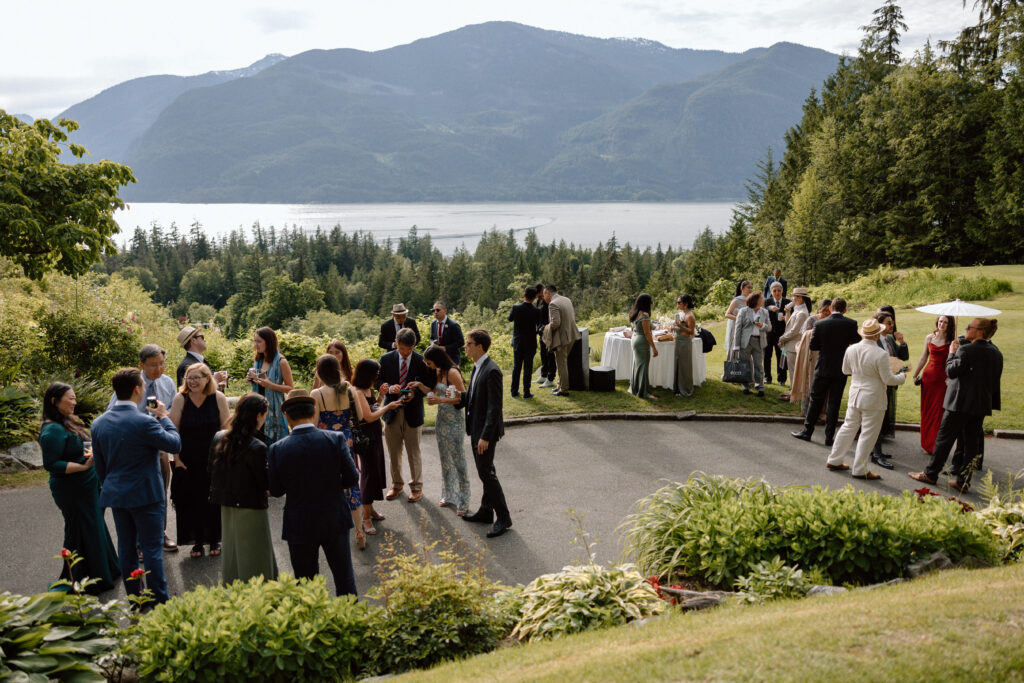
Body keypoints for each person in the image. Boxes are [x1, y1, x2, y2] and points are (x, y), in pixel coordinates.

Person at [91, 368, 181, 604]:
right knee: (151, 549)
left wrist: (112, 485)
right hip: (146, 494)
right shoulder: (145, 421)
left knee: (127, 547)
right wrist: (164, 417)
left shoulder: (99, 423)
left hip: (117, 494)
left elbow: (100, 467)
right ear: (137, 389)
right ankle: (159, 597)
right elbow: (174, 444)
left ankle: (135, 597)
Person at [268, 390, 360, 596]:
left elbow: (275, 490)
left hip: (299, 521)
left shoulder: (277, 448)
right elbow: (352, 478)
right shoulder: (335, 439)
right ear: (314, 412)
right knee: (344, 576)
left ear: (287, 417)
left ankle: (313, 622)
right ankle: (352, 622)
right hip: (334, 516)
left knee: (306, 581)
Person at [39, 383, 119, 594]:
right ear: (54, 401)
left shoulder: (67, 421)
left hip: (86, 484)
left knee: (94, 525)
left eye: (75, 398)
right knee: (80, 529)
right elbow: (51, 464)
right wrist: (83, 466)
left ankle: (105, 570)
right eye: (70, 399)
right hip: (71, 488)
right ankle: (82, 577)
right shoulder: (52, 429)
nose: (74, 402)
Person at [910, 318, 1002, 493]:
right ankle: (963, 481)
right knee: (971, 444)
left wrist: (952, 353)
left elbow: (951, 372)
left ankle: (930, 473)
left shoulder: (965, 350)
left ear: (980, 332)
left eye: (970, 327)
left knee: (944, 440)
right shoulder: (996, 352)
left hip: (959, 403)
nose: (966, 328)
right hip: (980, 405)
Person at [106, 344, 179, 552]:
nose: (159, 369)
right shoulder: (132, 383)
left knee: (161, 489)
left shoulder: (167, 382)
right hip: (136, 446)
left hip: (159, 443)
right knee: (138, 494)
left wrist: (164, 414)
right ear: (141, 365)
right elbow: (114, 412)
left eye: (162, 364)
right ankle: (137, 541)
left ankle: (160, 533)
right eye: (153, 365)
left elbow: (173, 408)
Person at [824, 319, 907, 481]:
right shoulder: (880, 354)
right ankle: (860, 469)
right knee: (868, 433)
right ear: (876, 335)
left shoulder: (851, 349)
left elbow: (845, 370)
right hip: (873, 398)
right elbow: (888, 379)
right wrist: (902, 377)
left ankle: (834, 459)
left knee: (848, 427)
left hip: (856, 394)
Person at [208, 393, 278, 584]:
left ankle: (233, 588)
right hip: (251, 505)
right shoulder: (257, 446)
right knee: (255, 553)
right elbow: (264, 482)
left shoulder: (220, 437)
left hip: (226, 503)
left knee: (232, 552)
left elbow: (210, 469)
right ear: (258, 416)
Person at [169, 363, 230, 558]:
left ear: (207, 378)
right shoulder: (181, 399)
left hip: (214, 457)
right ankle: (196, 542)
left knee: (213, 500)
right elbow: (174, 431)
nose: (192, 382)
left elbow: (225, 430)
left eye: (197, 377)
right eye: (189, 378)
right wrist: (176, 459)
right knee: (191, 500)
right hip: (187, 458)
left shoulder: (218, 398)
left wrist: (224, 457)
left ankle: (214, 540)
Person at [461, 329, 512, 538]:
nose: (466, 347)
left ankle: (504, 517)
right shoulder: (478, 367)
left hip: (484, 433)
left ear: (480, 346)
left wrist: (485, 437)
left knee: (486, 473)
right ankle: (485, 511)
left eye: (469, 343)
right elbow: (475, 397)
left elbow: (494, 408)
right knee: (485, 470)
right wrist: (460, 396)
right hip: (476, 429)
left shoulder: (492, 371)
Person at [310, 354, 365, 551]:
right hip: (346, 441)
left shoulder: (317, 394)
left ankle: (332, 530)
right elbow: (359, 416)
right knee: (351, 484)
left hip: (325, 442)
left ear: (320, 371)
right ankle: (359, 530)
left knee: (329, 486)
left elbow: (314, 424)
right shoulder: (349, 390)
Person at [791, 297, 860, 446]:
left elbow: (814, 346)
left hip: (823, 367)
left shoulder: (820, 324)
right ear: (845, 310)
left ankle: (807, 431)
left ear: (830, 309)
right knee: (834, 403)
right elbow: (856, 342)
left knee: (816, 400)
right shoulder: (851, 324)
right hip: (841, 369)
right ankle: (829, 437)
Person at [411, 345, 471, 515]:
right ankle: (449, 494)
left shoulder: (452, 372)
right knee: (445, 459)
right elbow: (432, 392)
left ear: (437, 359)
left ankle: (463, 499)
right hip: (442, 421)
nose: (427, 365)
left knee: (458, 460)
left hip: (455, 421)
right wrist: (420, 386)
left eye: (429, 362)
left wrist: (440, 400)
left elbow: (462, 397)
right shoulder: (439, 372)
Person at [378, 328, 432, 502]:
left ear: (413, 345)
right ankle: (396, 485)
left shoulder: (421, 361)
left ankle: (416, 487)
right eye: (401, 349)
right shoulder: (385, 359)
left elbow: (428, 386)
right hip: (391, 411)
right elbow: (379, 381)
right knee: (394, 451)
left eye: (408, 350)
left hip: (413, 412)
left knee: (413, 451)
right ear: (396, 342)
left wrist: (416, 392)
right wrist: (388, 386)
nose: (404, 353)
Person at [350, 359, 402, 536]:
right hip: (366, 437)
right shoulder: (357, 391)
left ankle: (370, 508)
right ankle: (365, 517)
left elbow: (373, 407)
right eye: (376, 373)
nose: (378, 376)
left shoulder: (367, 389)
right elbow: (369, 417)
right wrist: (388, 405)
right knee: (368, 474)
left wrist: (380, 396)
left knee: (376, 471)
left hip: (374, 435)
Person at [867, 310, 910, 469]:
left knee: (883, 418)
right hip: (878, 384)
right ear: (880, 324)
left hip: (890, 382)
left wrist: (902, 342)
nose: (892, 325)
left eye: (892, 322)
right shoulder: (874, 341)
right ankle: (876, 454)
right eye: (889, 322)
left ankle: (876, 450)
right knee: (877, 419)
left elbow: (902, 357)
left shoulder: (891, 339)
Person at [913, 315, 956, 454]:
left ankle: (934, 445)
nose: (942, 324)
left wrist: (950, 378)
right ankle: (926, 444)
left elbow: (953, 362)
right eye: (940, 321)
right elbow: (923, 357)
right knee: (926, 411)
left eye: (945, 322)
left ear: (950, 325)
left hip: (942, 380)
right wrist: (916, 373)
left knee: (938, 412)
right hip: (928, 378)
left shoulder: (952, 342)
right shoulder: (929, 337)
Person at [247, 326, 294, 445]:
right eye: (255, 341)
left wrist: (270, 385)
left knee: (276, 445)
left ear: (268, 342)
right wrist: (252, 379)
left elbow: (290, 388)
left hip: (275, 410)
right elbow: (260, 384)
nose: (256, 345)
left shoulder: (281, 362)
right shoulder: (258, 360)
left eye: (259, 341)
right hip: (258, 409)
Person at [789, 298, 829, 414]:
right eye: (824, 310)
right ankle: (806, 411)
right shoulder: (811, 320)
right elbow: (804, 338)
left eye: (828, 311)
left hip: (824, 356)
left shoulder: (830, 321)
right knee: (808, 383)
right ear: (820, 309)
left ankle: (821, 410)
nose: (826, 313)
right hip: (810, 355)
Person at [542, 285, 581, 397]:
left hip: (562, 339)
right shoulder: (566, 299)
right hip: (572, 335)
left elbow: (556, 323)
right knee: (562, 362)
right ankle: (559, 385)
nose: (544, 297)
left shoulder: (553, 304)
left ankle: (564, 390)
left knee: (561, 364)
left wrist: (545, 328)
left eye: (544, 295)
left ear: (548, 293)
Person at [733, 291, 770, 396]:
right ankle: (746, 386)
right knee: (745, 364)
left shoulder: (764, 312)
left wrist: (762, 325)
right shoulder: (743, 311)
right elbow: (738, 328)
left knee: (758, 365)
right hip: (745, 342)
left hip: (759, 341)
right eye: (761, 298)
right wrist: (736, 345)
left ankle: (760, 387)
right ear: (756, 300)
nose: (763, 300)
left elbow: (769, 327)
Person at [777, 287, 810, 401]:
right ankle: (793, 392)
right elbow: (788, 325)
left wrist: (782, 339)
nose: (793, 298)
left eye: (796, 296)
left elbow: (794, 331)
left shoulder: (802, 313)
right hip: (791, 344)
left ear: (801, 298)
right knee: (793, 370)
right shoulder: (797, 310)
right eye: (793, 296)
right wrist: (787, 313)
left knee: (794, 371)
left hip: (794, 344)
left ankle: (795, 395)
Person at [508, 285, 540, 399]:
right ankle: (526, 392)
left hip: (518, 341)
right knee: (528, 367)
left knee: (517, 367)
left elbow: (509, 318)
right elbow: (539, 323)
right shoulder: (536, 310)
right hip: (530, 342)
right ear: (535, 298)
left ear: (524, 295)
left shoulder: (516, 308)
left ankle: (514, 391)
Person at [628, 293, 659, 400]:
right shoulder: (644, 316)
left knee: (637, 365)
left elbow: (634, 328)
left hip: (635, 339)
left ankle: (635, 387)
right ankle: (643, 392)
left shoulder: (634, 313)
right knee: (643, 367)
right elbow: (647, 334)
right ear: (647, 303)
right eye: (651, 302)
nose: (651, 304)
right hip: (642, 342)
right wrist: (654, 348)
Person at [763, 282, 790, 385]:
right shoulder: (767, 301)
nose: (777, 293)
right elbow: (762, 310)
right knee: (767, 356)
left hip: (782, 334)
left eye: (779, 290)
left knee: (781, 357)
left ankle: (782, 379)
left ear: (782, 291)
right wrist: (770, 308)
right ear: (771, 292)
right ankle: (767, 377)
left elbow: (792, 316)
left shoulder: (788, 302)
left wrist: (786, 317)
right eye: (774, 291)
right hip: (768, 334)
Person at [672, 295, 696, 398]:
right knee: (679, 365)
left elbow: (691, 331)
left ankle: (686, 390)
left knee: (685, 367)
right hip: (678, 341)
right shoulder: (682, 314)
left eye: (679, 302)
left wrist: (680, 326)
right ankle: (678, 389)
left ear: (685, 304)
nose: (677, 304)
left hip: (684, 342)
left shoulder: (690, 316)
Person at [534, 282, 557, 388]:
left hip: (547, 331)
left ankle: (550, 378)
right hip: (540, 331)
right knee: (543, 354)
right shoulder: (539, 301)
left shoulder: (548, 302)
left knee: (550, 355)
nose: (540, 296)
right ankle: (543, 374)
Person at [429, 301, 465, 366]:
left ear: (445, 310)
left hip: (452, 359)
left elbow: (461, 342)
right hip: (438, 359)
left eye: (438, 310)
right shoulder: (433, 324)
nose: (435, 312)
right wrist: (433, 345)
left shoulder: (454, 325)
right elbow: (432, 338)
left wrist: (446, 348)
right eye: (434, 310)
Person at [724, 280, 753, 356]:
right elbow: (727, 314)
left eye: (751, 288)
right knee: (736, 351)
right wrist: (738, 318)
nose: (750, 290)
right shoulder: (736, 300)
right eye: (748, 287)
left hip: (748, 329)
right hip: (737, 328)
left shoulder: (751, 301)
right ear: (742, 288)